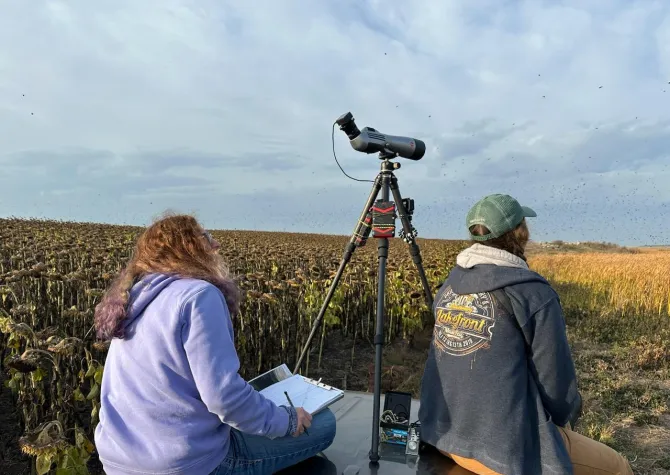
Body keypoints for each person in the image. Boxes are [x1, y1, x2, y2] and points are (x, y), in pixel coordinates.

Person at [93, 213, 336, 475]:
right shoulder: (198, 296)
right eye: (206, 237)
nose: (216, 244)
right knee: (323, 423)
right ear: (190, 249)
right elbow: (225, 399)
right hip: (184, 464)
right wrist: (287, 421)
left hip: (119, 460)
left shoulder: (134, 297)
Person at [418, 194, 633, 475]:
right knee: (618, 467)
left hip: (440, 434)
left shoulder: (449, 286)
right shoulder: (532, 293)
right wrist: (564, 418)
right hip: (501, 451)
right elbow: (555, 382)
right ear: (520, 232)